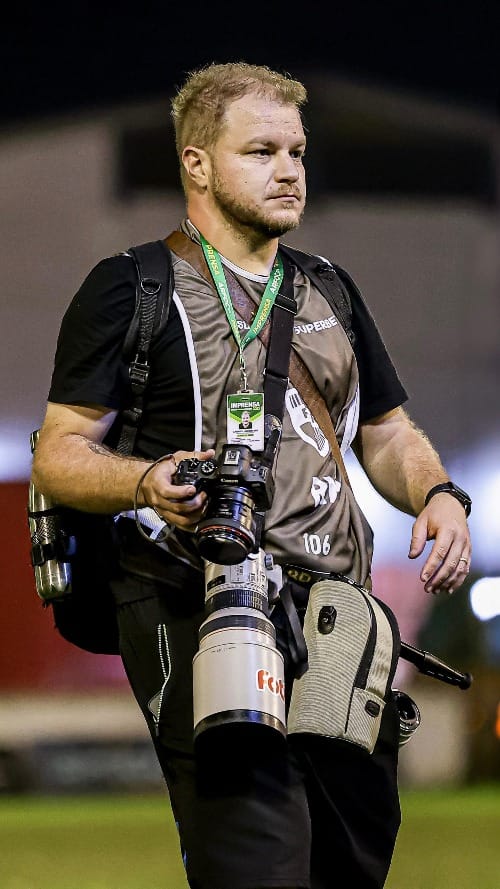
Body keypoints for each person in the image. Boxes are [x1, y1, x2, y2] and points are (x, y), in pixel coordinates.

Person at [31, 61, 472, 889]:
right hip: (199, 600)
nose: (289, 170)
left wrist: (438, 493)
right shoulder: (132, 287)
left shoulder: (329, 289)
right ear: (196, 162)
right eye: (262, 150)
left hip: (339, 613)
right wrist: (142, 481)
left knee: (353, 860)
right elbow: (58, 450)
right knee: (258, 860)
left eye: (298, 152)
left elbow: (385, 429)